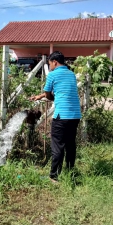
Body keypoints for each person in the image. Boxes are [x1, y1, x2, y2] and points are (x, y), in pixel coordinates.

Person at [29, 51, 81, 182]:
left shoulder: (52, 75)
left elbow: (49, 94)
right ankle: (70, 172)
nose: (50, 66)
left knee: (58, 146)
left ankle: (54, 177)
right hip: (74, 115)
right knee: (70, 145)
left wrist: (48, 97)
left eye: (50, 63)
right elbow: (61, 91)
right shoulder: (71, 74)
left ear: (55, 62)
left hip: (62, 115)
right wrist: (38, 96)